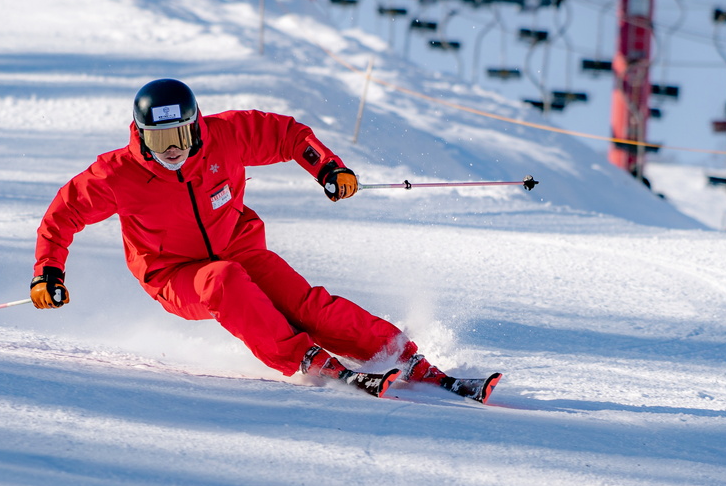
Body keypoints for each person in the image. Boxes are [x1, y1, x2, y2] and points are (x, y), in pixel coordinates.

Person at [31, 78, 496, 400]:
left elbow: (288, 135)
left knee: (308, 305)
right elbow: (62, 215)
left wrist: (328, 168)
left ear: (195, 126)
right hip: (173, 274)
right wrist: (47, 272)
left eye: (178, 134)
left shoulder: (226, 137)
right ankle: (307, 360)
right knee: (224, 281)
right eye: (157, 140)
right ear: (140, 137)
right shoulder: (117, 173)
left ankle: (398, 354)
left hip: (239, 247)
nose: (170, 149)